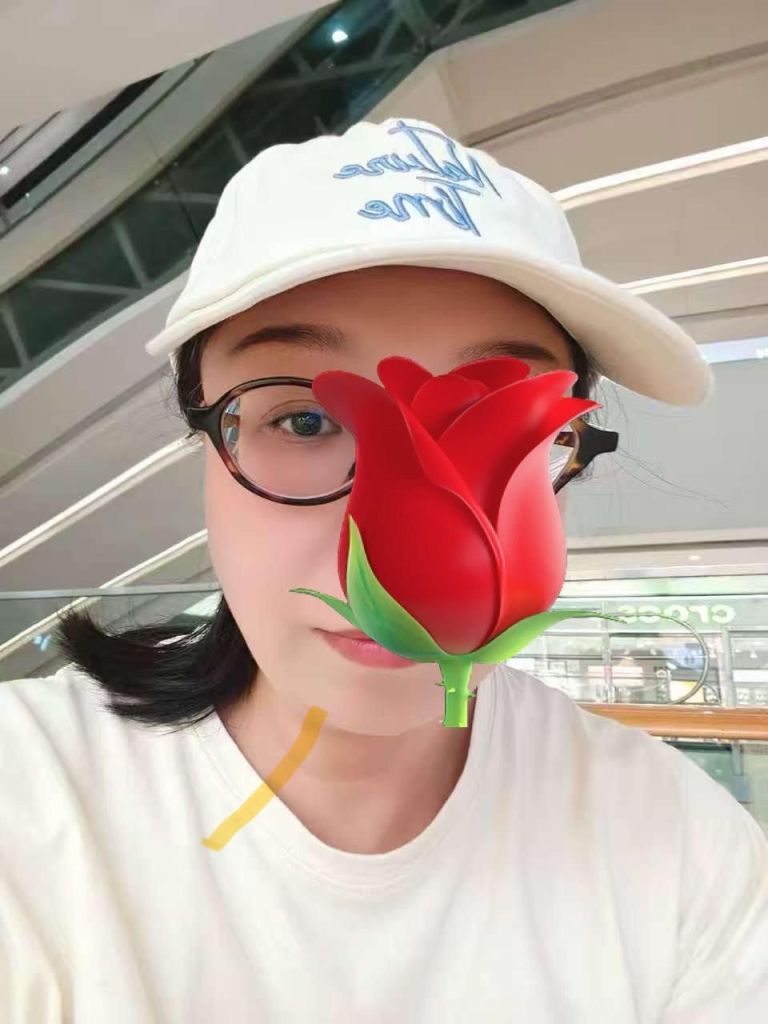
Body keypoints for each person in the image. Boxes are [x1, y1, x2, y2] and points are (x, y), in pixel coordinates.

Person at [2, 118, 767, 1022]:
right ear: (202, 444)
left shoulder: (686, 855)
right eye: (305, 421)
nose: (397, 558)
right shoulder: (30, 803)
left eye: (491, 425)